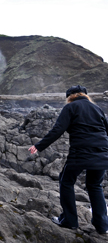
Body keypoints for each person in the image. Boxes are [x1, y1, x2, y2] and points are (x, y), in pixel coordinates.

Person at [28, 85, 108, 234]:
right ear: (85, 95)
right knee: (95, 185)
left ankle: (69, 221)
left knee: (66, 181)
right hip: (102, 152)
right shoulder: (97, 109)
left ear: (70, 97)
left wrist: (38, 146)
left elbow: (57, 130)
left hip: (81, 152)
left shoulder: (71, 107)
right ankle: (102, 226)